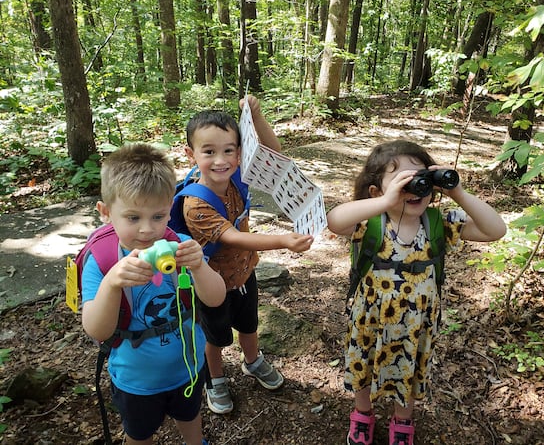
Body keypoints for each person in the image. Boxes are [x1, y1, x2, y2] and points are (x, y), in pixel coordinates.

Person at [326, 140, 506, 445]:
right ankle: (362, 414)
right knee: (362, 367)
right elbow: (334, 220)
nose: (414, 188)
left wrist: (456, 191)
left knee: (407, 373)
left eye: (421, 179)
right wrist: (385, 202)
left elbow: (495, 230)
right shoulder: (371, 222)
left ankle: (402, 421)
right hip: (369, 320)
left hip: (415, 325)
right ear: (376, 192)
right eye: (402, 182)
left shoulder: (438, 223)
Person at [81, 144, 226, 445]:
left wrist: (199, 267)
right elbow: (96, 329)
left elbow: (215, 298)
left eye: (158, 216)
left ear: (169, 207)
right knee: (139, 432)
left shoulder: (181, 244)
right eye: (133, 218)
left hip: (188, 365)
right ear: (106, 213)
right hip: (137, 380)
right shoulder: (103, 261)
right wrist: (111, 284)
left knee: (190, 415)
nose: (147, 230)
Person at [180, 96, 314, 414]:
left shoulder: (237, 176)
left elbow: (274, 153)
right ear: (191, 154)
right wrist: (283, 240)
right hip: (212, 285)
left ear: (240, 153)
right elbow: (235, 238)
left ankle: (252, 360)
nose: (220, 159)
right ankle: (215, 379)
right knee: (215, 336)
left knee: (249, 324)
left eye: (229, 150)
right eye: (209, 151)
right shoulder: (196, 204)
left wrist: (256, 115)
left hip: (244, 274)